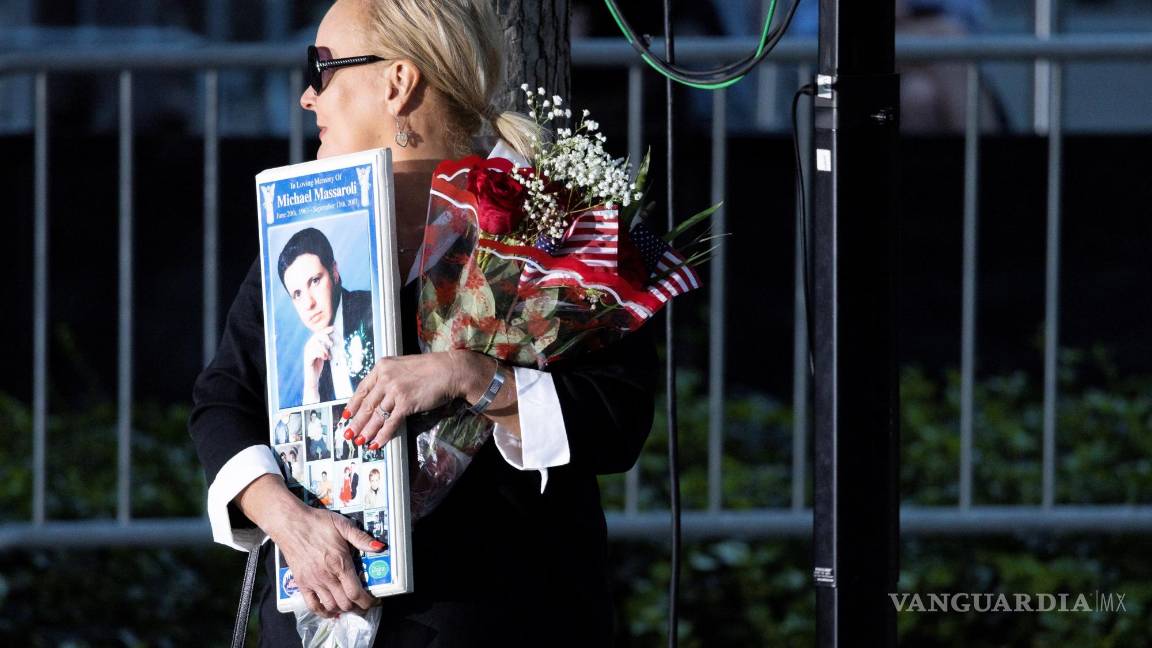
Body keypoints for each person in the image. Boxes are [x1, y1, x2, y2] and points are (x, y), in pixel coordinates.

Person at [189, 0, 657, 645]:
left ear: (397, 82)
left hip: (501, 613)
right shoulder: (312, 231)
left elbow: (617, 421)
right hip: (319, 616)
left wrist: (471, 377)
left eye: (321, 67)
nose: (305, 96)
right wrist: (287, 520)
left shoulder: (551, 223)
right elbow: (222, 399)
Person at [277, 226, 374, 406]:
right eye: (297, 294)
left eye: (315, 281)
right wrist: (311, 387)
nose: (309, 304)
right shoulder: (315, 355)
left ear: (334, 273)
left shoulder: (371, 309)